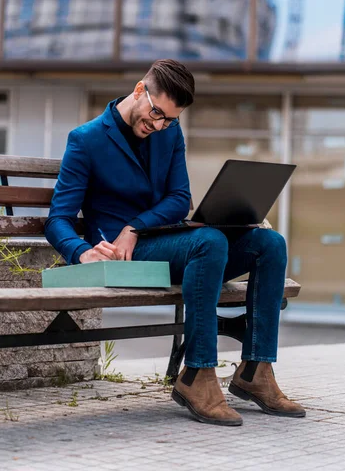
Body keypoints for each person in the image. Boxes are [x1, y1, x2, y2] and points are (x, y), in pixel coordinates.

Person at [45, 59, 305, 427]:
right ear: (139, 90)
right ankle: (197, 375)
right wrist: (81, 251)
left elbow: (180, 197)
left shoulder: (169, 132)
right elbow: (58, 219)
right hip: (128, 257)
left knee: (270, 243)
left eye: (168, 119)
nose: (158, 125)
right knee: (210, 242)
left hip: (171, 242)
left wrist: (136, 225)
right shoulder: (86, 140)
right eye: (155, 114)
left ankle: (256, 372)